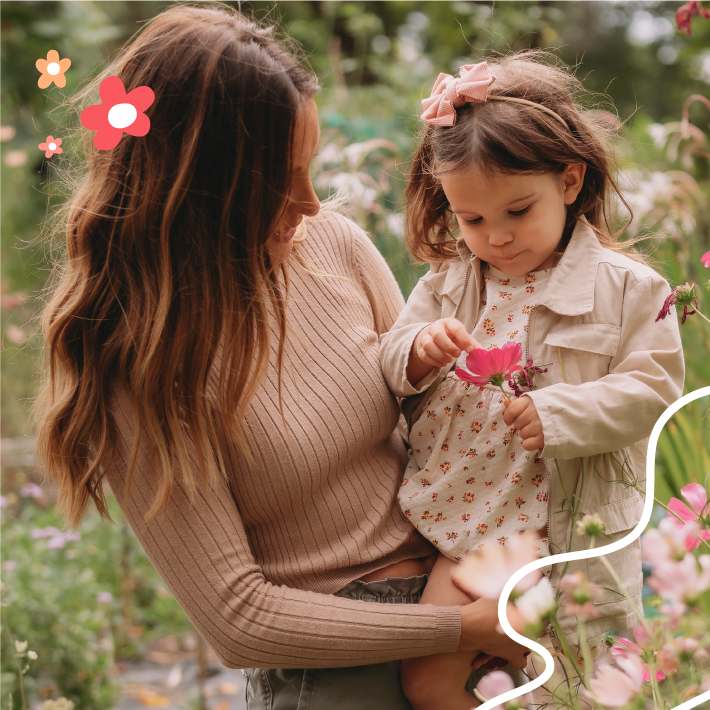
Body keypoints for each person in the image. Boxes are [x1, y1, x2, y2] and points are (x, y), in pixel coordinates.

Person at [33, 4, 530, 709]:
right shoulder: (137, 358)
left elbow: (440, 426)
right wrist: (455, 627)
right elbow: (238, 619)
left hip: (469, 603)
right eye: (276, 179)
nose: (309, 201)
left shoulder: (335, 245)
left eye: (310, 167)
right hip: (339, 675)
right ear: (197, 184)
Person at [379, 54, 685, 709]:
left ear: (570, 181)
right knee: (428, 678)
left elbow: (654, 390)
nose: (497, 237)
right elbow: (388, 358)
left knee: (578, 680)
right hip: (466, 524)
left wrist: (562, 413)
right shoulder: (448, 285)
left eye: (518, 210)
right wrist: (418, 351)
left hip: (560, 530)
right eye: (473, 220)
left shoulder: (628, 289)